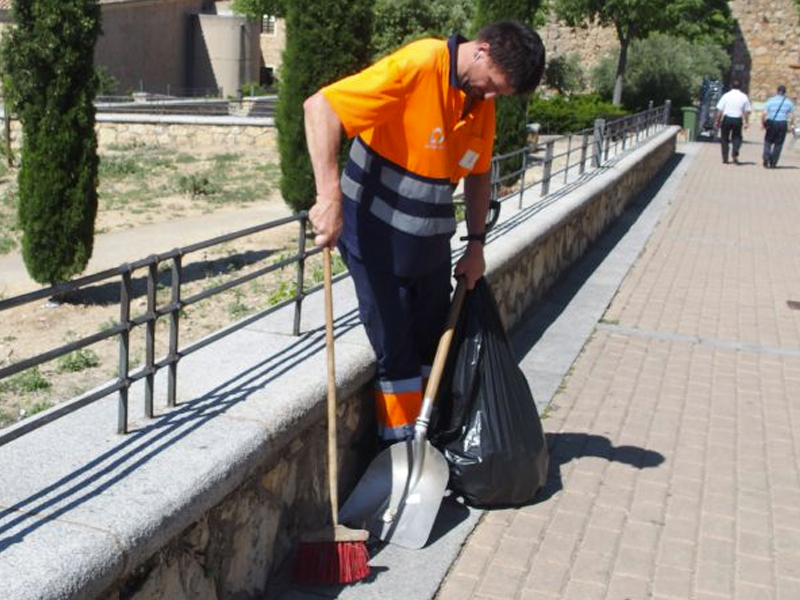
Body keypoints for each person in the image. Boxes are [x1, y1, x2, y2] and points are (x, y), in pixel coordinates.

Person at [303, 20, 545, 442]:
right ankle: (397, 452)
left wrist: (476, 244)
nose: (491, 97)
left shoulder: (478, 101)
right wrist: (328, 199)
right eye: (494, 85)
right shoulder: (421, 63)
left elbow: (479, 173)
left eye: (500, 93)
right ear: (482, 50)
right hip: (374, 235)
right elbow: (320, 108)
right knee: (395, 349)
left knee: (433, 345)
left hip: (428, 243)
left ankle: (424, 442)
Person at [714, 80, 751, 164]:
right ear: (741, 86)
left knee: (724, 139)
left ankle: (725, 158)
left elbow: (720, 110)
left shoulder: (726, 96)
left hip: (727, 119)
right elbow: (746, 111)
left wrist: (717, 121)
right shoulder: (744, 97)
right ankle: (735, 151)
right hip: (737, 119)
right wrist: (746, 122)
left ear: (731, 86)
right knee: (737, 137)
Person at [761, 84, 795, 168]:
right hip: (782, 123)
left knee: (768, 141)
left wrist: (763, 124)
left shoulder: (771, 100)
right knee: (778, 144)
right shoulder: (789, 102)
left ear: (777, 91)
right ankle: (773, 162)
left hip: (772, 122)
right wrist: (790, 125)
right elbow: (793, 115)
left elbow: (763, 114)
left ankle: (766, 157)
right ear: (785, 92)